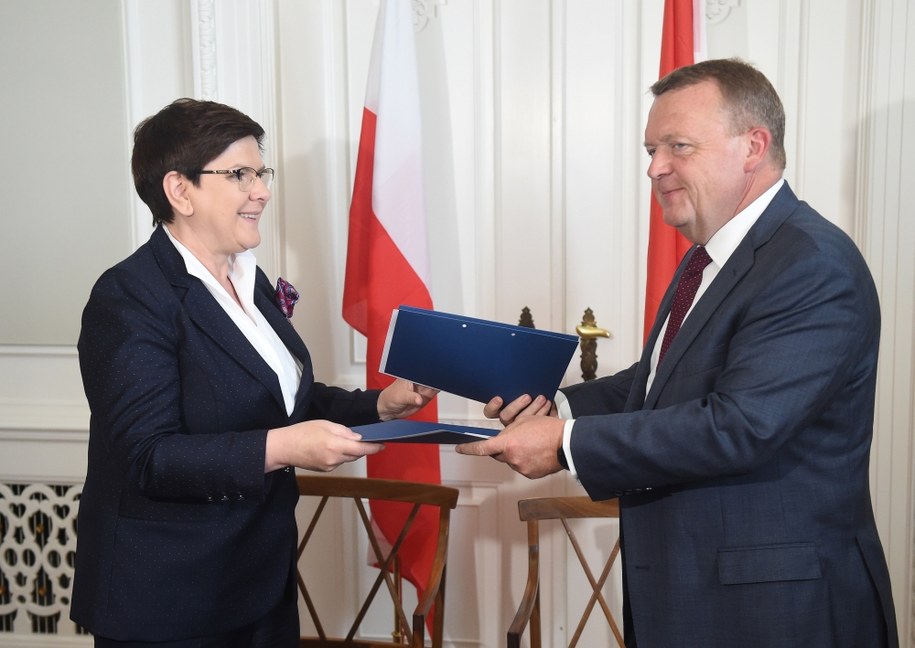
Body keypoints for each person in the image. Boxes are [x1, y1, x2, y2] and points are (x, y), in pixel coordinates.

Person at [457, 58, 898, 647]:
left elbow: (740, 425)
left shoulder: (812, 264)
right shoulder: (705, 256)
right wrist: (555, 407)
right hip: (692, 593)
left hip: (774, 611)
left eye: (677, 146)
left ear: (753, 146)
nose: (655, 168)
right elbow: (662, 380)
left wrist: (564, 445)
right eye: (650, 149)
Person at [70, 98, 436, 647]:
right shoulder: (128, 297)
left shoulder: (249, 279)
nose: (261, 190)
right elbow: (150, 457)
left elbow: (282, 400)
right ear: (180, 191)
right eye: (240, 174)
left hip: (260, 581)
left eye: (260, 173)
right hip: (169, 599)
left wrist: (380, 405)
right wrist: (284, 448)